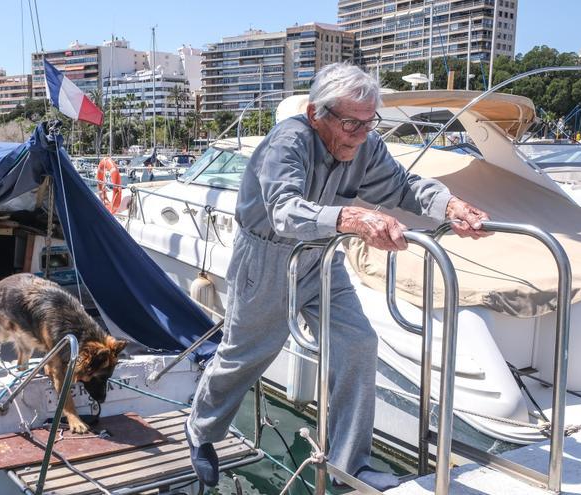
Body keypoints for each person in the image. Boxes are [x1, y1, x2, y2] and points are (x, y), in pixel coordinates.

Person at [184, 63, 491, 490]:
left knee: (359, 343)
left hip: (323, 258)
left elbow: (402, 186)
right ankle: (201, 432)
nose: (360, 134)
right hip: (268, 258)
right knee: (245, 355)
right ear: (316, 114)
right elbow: (284, 211)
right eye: (350, 123)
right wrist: (351, 216)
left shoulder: (365, 143)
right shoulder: (287, 142)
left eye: (369, 123)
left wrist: (450, 204)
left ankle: (351, 465)